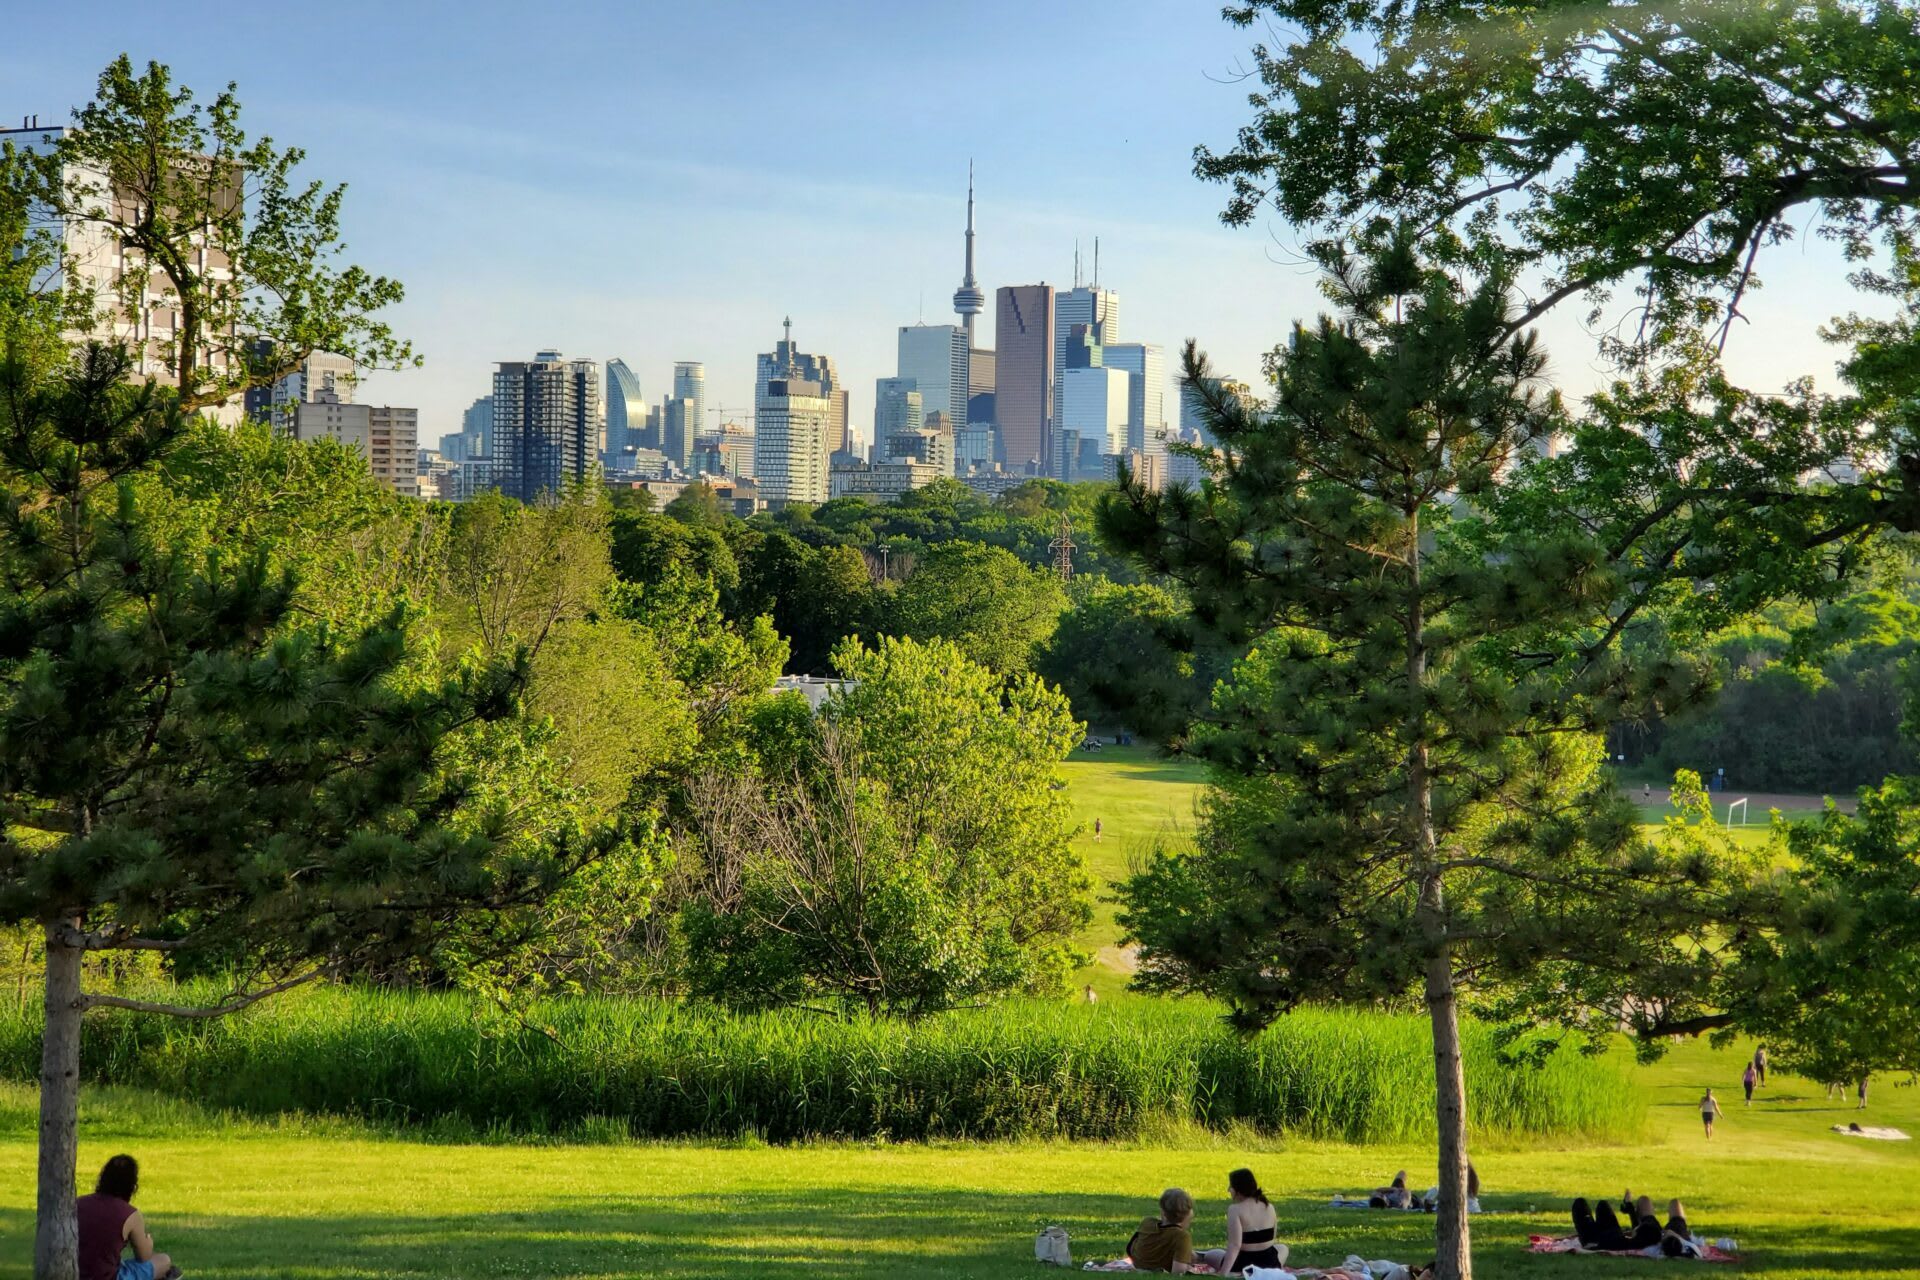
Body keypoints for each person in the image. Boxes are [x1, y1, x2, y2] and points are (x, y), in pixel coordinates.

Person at [77, 1154, 179, 1280]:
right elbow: (144, 1257)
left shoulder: (78, 1203)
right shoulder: (130, 1215)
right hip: (110, 1277)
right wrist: (148, 1243)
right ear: (132, 1186)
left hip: (76, 1273)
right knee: (164, 1260)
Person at [1195, 1169, 1284, 1276]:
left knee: (1211, 1254)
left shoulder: (1235, 1210)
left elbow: (1235, 1245)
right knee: (1283, 1248)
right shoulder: (1269, 1207)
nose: (1228, 1189)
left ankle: (1204, 1256)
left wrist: (1223, 1273)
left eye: (1231, 1186)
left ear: (1238, 1189)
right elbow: (1272, 1239)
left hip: (1243, 1264)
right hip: (1269, 1263)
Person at [1128, 1188, 1207, 1274]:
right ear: (1188, 1215)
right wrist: (1189, 1267)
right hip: (1159, 1267)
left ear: (1163, 1211)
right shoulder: (1181, 1236)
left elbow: (1132, 1247)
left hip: (1138, 1264)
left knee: (1193, 1254)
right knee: (1213, 1255)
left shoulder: (1148, 1223)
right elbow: (1178, 1271)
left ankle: (1199, 1255)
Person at [1572, 1197, 1659, 1251]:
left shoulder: (1626, 1244)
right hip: (1611, 1231)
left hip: (1594, 1238)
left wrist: (1594, 1246)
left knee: (1580, 1203)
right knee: (1602, 1204)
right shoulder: (1645, 1237)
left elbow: (1598, 1245)